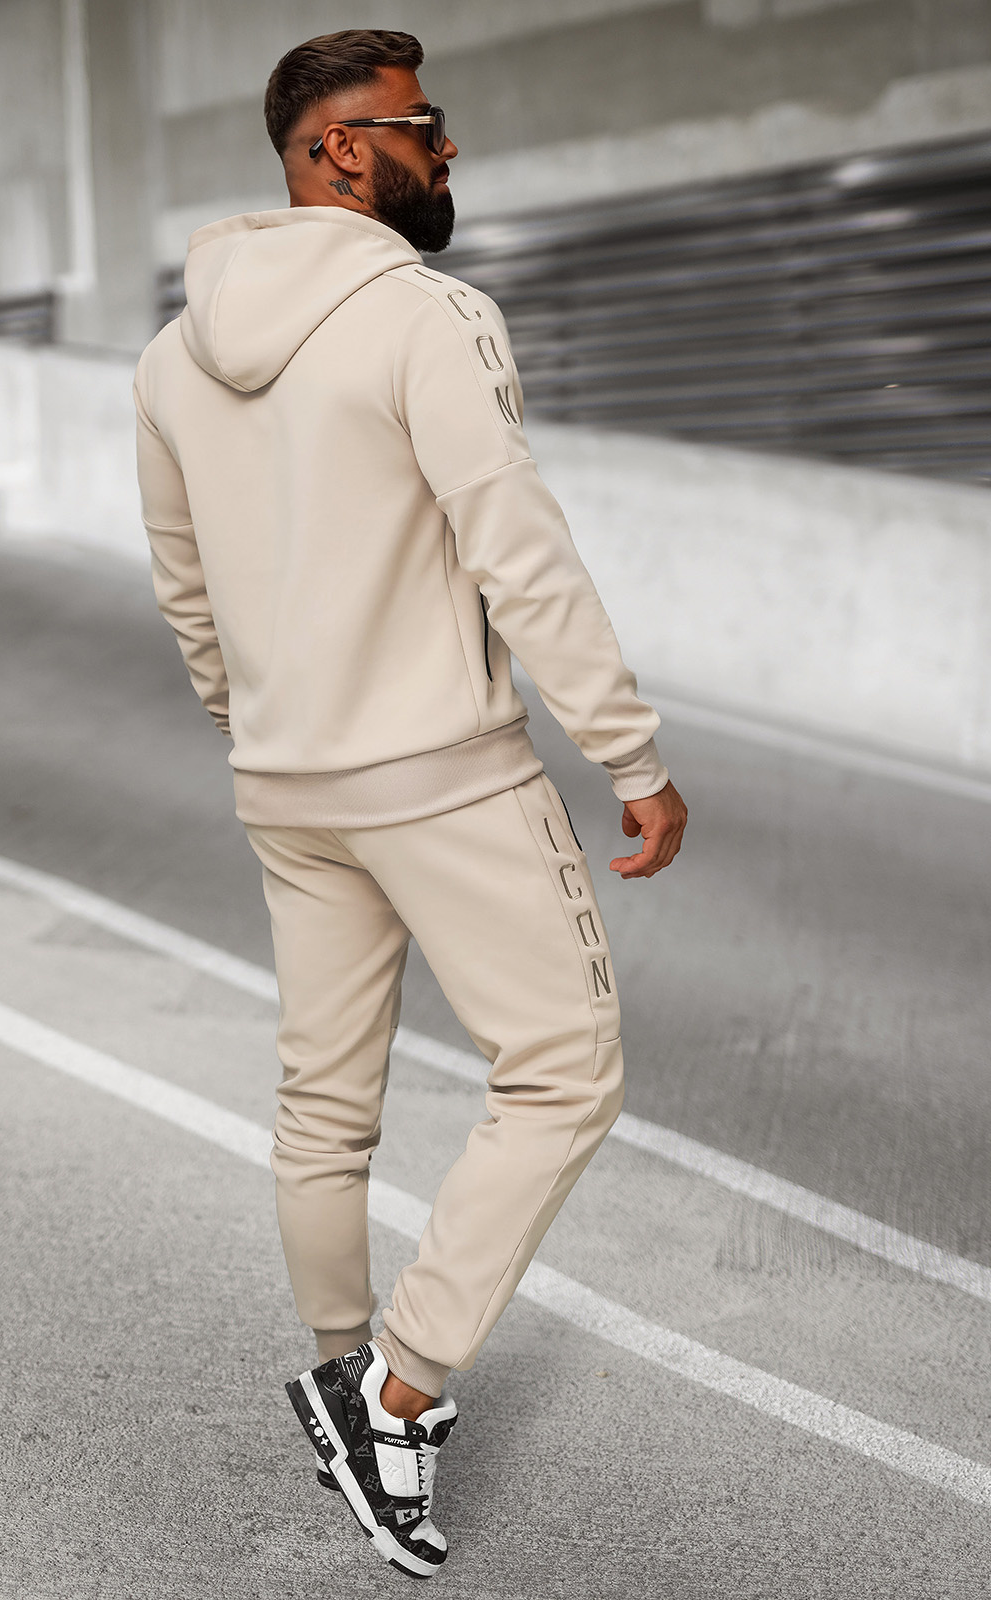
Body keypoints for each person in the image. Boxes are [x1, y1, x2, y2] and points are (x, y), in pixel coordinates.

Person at [133, 28, 687, 1580]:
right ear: (336, 152)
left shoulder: (171, 358)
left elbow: (185, 589)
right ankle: (398, 1393)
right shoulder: (431, 318)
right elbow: (516, 544)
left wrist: (267, 729)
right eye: (421, 127)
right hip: (442, 774)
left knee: (324, 1102)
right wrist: (629, 755)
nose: (448, 151)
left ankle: (335, 1367)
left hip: (286, 781)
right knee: (565, 1071)